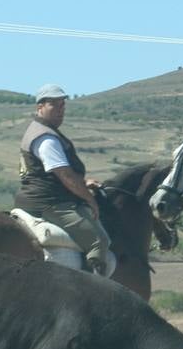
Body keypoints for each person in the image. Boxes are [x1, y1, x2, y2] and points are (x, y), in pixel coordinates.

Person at [14, 84, 111, 277]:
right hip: (50, 203)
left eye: (62, 105)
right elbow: (64, 175)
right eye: (54, 105)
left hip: (38, 197)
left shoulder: (40, 130)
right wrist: (89, 199)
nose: (60, 110)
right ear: (39, 107)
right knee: (99, 240)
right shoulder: (46, 138)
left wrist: (83, 184)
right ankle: (94, 288)